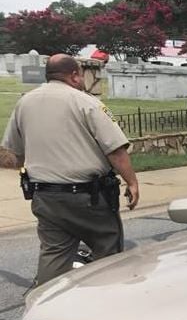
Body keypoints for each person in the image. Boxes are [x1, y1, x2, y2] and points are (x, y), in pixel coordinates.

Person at [1, 54, 139, 286]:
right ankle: (105, 307)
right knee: (108, 253)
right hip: (89, 198)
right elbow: (116, 150)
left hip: (45, 197)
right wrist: (132, 182)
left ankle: (45, 311)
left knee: (53, 257)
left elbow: (14, 153)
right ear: (74, 75)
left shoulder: (25, 102)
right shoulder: (87, 102)